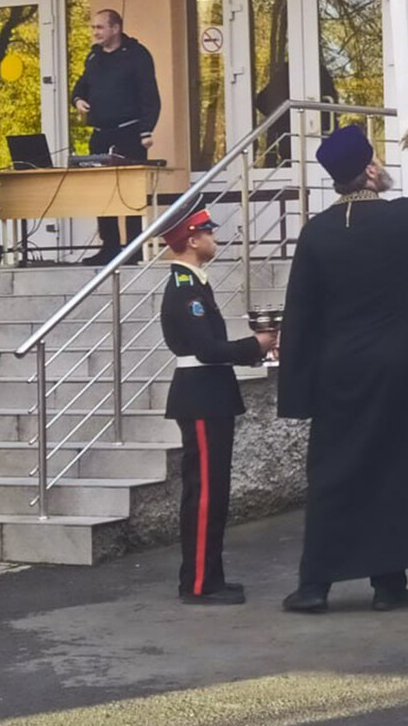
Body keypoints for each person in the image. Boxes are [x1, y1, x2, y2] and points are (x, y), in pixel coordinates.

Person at [277, 114, 408, 614]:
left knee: (335, 472)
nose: (383, 166)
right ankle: (388, 585)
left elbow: (300, 313)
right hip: (402, 369)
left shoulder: (318, 233)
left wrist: (297, 390)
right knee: (396, 470)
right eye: (377, 159)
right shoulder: (405, 219)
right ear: (369, 173)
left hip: (340, 371)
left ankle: (315, 585)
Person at [158, 207, 276, 605]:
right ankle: (198, 583)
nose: (214, 237)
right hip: (202, 394)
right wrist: (255, 346)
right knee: (206, 492)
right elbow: (207, 350)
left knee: (212, 490)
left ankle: (209, 576)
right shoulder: (185, 290)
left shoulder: (194, 284)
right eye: (208, 231)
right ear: (192, 239)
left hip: (208, 393)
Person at [71, 9, 161, 265]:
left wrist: (146, 129)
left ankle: (133, 248)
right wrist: (78, 100)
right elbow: (80, 86)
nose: (95, 32)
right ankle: (109, 246)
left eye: (99, 27)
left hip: (130, 132)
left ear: (115, 28)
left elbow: (149, 96)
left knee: (129, 191)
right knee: (102, 193)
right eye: (93, 28)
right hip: (100, 135)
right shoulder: (94, 56)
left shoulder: (136, 55)